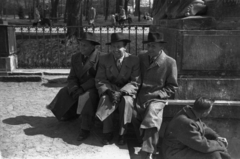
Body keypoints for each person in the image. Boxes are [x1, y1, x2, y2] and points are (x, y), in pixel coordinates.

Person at [46, 32, 101, 141]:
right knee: (64, 92)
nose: (81, 47)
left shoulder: (100, 58)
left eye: (85, 45)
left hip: (93, 88)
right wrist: (74, 88)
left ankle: (85, 128)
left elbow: (98, 78)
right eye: (80, 44)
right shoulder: (75, 57)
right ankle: (68, 114)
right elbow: (72, 77)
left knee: (87, 99)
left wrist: (82, 88)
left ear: (92, 46)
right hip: (78, 87)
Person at [132, 32, 178, 159]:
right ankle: (143, 141)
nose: (150, 49)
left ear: (161, 47)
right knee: (133, 114)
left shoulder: (170, 62)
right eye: (149, 46)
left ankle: (147, 151)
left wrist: (159, 95)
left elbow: (172, 87)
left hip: (158, 97)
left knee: (152, 114)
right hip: (141, 95)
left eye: (154, 46)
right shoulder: (141, 57)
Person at [95, 32, 141, 145]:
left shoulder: (133, 60)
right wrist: (108, 91)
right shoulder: (104, 59)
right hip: (110, 89)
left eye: (119, 47)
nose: (115, 50)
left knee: (127, 102)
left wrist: (121, 92)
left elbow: (135, 81)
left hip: (126, 91)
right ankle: (107, 132)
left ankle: (122, 133)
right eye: (113, 47)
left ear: (125, 47)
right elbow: (100, 79)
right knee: (105, 99)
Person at [162, 97, 231, 159]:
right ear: (204, 113)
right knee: (214, 154)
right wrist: (220, 144)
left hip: (184, 148)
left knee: (219, 152)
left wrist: (216, 137)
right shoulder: (187, 122)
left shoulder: (191, 112)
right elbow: (203, 146)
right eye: (210, 110)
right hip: (174, 153)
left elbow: (203, 127)